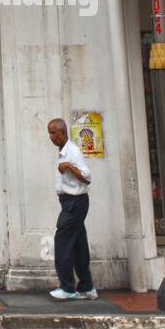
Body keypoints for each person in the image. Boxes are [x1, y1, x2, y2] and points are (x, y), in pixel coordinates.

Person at [46, 117, 96, 300]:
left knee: (62, 242)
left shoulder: (72, 152)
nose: (51, 137)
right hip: (71, 202)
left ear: (62, 132)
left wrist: (68, 166)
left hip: (75, 203)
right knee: (79, 244)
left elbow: (87, 177)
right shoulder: (63, 151)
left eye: (53, 133)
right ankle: (87, 287)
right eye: (49, 133)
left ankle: (67, 288)